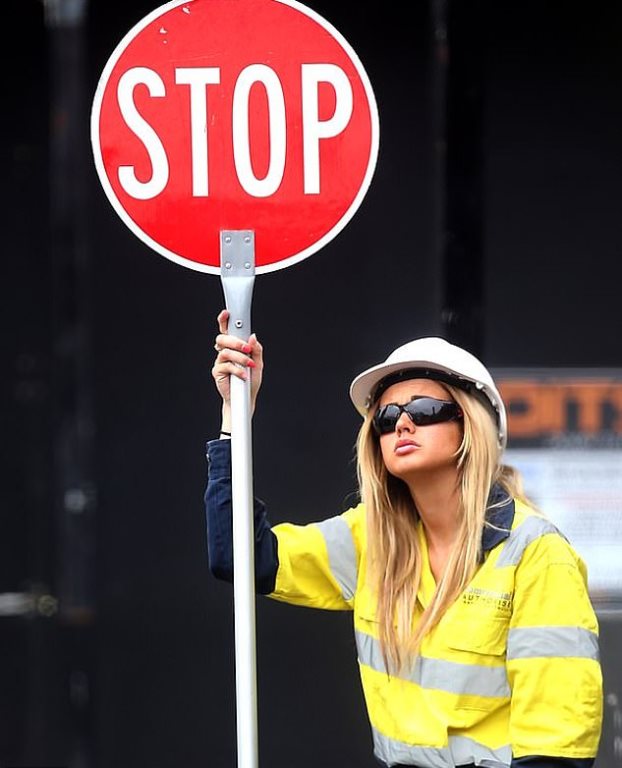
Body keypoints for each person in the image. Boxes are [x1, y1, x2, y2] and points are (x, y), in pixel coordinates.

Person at [205, 309, 603, 768]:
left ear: (471, 425)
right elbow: (240, 556)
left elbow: (555, 752)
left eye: (425, 410)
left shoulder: (536, 554)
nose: (402, 424)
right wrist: (235, 416)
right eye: (386, 416)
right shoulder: (370, 538)